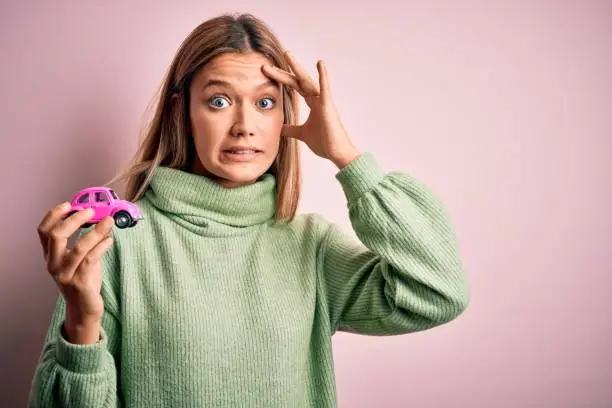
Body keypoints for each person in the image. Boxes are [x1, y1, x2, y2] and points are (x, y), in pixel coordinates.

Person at [29, 12, 470, 408]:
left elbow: (438, 292)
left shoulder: (310, 246)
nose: (244, 126)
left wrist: (347, 157)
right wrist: (83, 323)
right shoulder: (117, 243)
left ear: (283, 116)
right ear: (183, 114)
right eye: (219, 101)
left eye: (265, 102)